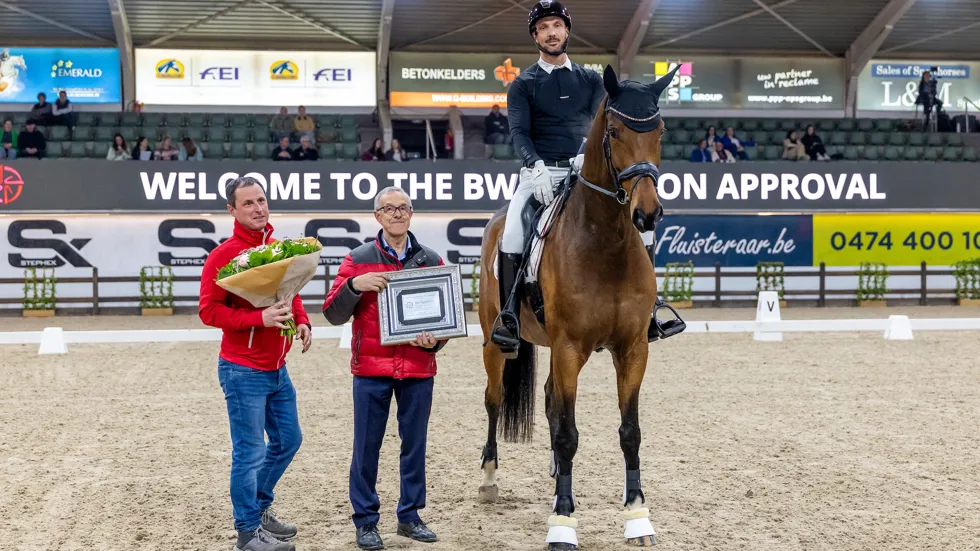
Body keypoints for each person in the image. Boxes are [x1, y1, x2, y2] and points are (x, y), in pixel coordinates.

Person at [491, 0, 682, 355]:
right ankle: (509, 316)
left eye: (557, 26)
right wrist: (535, 166)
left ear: (566, 31)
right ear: (535, 36)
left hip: (587, 170)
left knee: (645, 225)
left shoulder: (591, 79)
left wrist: (583, 156)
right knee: (514, 228)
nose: (551, 33)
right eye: (544, 27)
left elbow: (599, 127)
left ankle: (651, 308)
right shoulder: (523, 84)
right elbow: (519, 132)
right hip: (541, 172)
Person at [322, 186, 447, 551]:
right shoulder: (357, 259)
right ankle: (365, 522)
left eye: (403, 208)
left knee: (414, 447)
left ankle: (410, 517)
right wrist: (353, 285)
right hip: (371, 370)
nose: (397, 214)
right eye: (389, 209)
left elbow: (446, 320)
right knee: (366, 448)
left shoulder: (431, 259)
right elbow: (332, 313)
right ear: (377, 216)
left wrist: (435, 341)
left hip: (419, 368)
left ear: (411, 214)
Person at [199, 176, 313, 551]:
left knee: (289, 440)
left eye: (261, 200)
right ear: (231, 210)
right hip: (242, 370)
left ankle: (260, 509)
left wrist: (303, 319)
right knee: (249, 453)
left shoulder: (279, 248)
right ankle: (247, 532)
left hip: (277, 369)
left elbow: (288, 292)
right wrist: (257, 319)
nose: (258, 208)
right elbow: (208, 311)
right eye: (247, 203)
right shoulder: (222, 256)